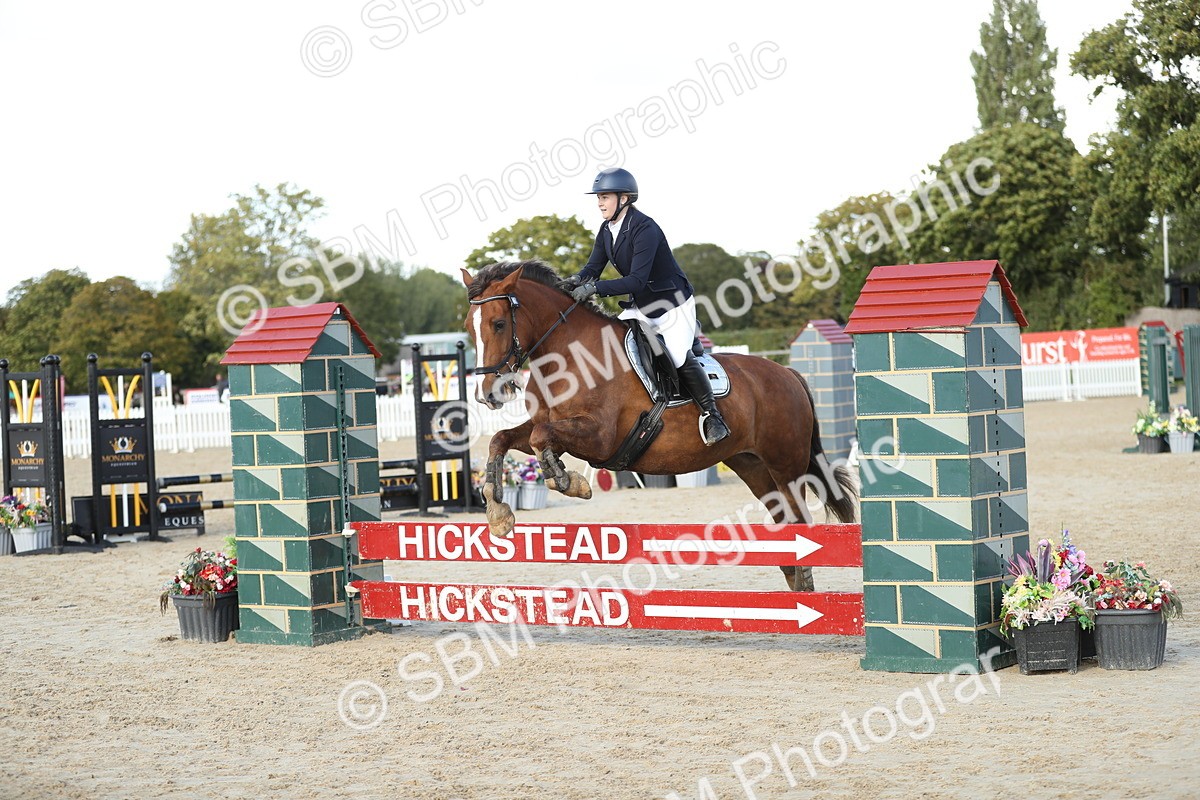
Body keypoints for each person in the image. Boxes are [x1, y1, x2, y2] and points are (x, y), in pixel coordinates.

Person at [566, 167, 730, 445]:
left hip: (672, 304)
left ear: (625, 198)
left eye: (605, 197)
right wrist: (572, 282)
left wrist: (595, 288)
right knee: (611, 343)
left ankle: (712, 415)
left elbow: (636, 280)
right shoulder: (607, 230)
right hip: (640, 305)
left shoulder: (645, 229)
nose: (600, 203)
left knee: (677, 356)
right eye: (599, 197)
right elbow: (593, 267)